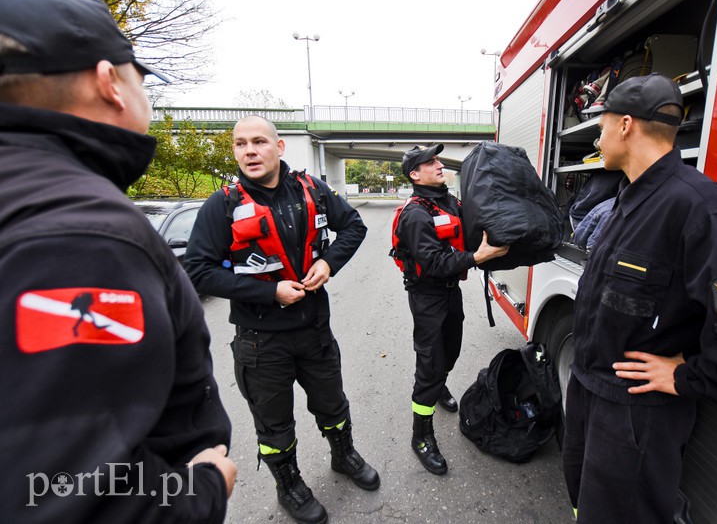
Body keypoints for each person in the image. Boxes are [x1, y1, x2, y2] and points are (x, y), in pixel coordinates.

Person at [0, 0, 236, 523]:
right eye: (142, 79)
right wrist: (202, 493)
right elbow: (62, 495)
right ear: (109, 82)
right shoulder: (79, 238)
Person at [562, 73, 717, 523]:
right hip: (592, 394)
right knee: (587, 504)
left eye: (603, 122)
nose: (599, 133)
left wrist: (691, 377)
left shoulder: (702, 208)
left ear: (627, 125)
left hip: (634, 417)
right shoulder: (627, 202)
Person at [184, 115, 378, 524]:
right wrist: (269, 292)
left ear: (279, 147)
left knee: (333, 404)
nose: (249, 151)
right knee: (274, 426)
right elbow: (198, 271)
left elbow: (353, 227)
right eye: (240, 144)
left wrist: (328, 263)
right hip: (261, 341)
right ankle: (289, 485)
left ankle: (343, 456)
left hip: (315, 330)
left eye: (258, 142)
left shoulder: (312, 190)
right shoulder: (223, 204)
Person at [391, 144, 509, 475]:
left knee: (450, 353)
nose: (439, 164)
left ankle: (440, 382)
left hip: (450, 293)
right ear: (415, 174)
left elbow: (470, 231)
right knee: (429, 364)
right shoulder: (416, 214)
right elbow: (436, 262)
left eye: (438, 159)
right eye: (430, 162)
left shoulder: (450, 202)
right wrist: (477, 258)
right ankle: (421, 435)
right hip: (427, 297)